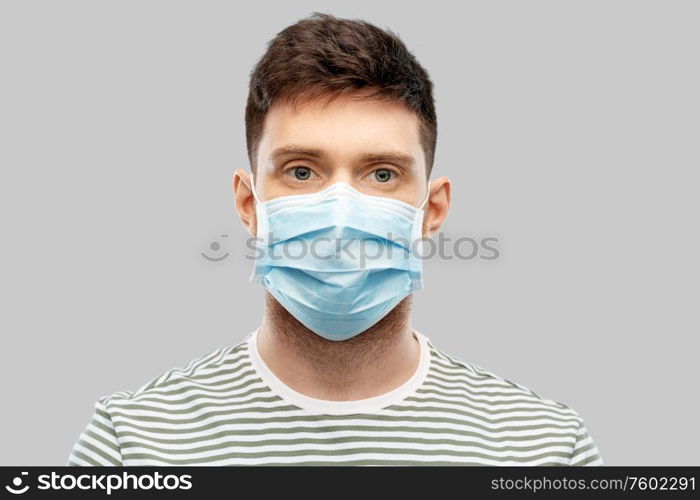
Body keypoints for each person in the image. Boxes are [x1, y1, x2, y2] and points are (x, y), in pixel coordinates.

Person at [68, 12, 603, 466]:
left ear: (432, 210)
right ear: (250, 204)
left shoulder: (546, 447)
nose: (342, 215)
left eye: (383, 173)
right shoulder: (133, 441)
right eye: (302, 171)